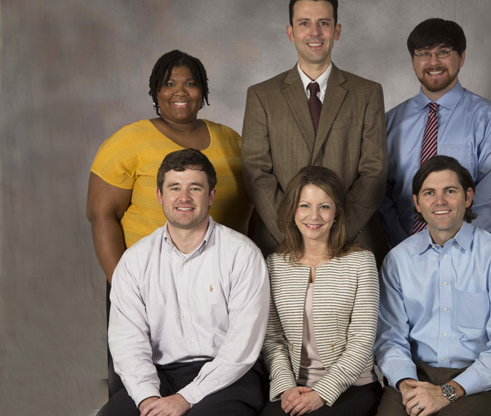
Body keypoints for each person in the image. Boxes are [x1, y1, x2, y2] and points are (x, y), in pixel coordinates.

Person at [87, 50, 251, 395]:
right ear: (155, 92)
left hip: (217, 276)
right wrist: (124, 286)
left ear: (203, 90)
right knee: (140, 381)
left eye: (190, 83)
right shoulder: (127, 141)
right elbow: (101, 215)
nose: (180, 92)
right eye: (169, 84)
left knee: (218, 379)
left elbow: (250, 206)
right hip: (145, 278)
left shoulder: (231, 140)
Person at [96, 148, 269, 416]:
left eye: (195, 188)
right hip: (161, 376)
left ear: (211, 195)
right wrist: (146, 398)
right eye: (174, 187)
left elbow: (241, 347)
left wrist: (185, 398)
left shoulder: (243, 254)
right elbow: (127, 342)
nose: (184, 198)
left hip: (230, 377)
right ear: (159, 195)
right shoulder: (134, 260)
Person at [242, 0, 387, 262]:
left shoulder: (367, 93)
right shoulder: (261, 96)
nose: (315, 32)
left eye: (324, 23)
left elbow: (374, 172)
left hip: (351, 243)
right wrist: (293, 235)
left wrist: (336, 235)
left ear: (337, 30)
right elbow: (256, 174)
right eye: (304, 23)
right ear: (291, 32)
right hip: (280, 244)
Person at [375, 156, 491, 416]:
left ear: (468, 198)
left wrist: (448, 391)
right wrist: (407, 384)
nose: (440, 201)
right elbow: (390, 338)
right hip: (415, 374)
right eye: (429, 193)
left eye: (450, 191)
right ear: (417, 203)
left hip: (480, 380)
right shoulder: (398, 260)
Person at [379, 18, 491, 248]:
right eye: (423, 53)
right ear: (413, 62)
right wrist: (403, 245)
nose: (433, 62)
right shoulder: (391, 121)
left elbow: (490, 198)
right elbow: (380, 190)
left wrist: (453, 247)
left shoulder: (489, 120)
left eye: (443, 52)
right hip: (403, 252)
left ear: (461, 57)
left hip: (469, 253)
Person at [261, 166, 382, 416]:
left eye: (324, 206)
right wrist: (286, 388)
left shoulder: (361, 262)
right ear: (292, 210)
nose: (313, 216)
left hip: (353, 385)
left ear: (336, 213)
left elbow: (363, 340)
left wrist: (322, 393)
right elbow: (273, 340)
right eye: (305, 205)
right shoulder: (274, 264)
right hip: (295, 386)